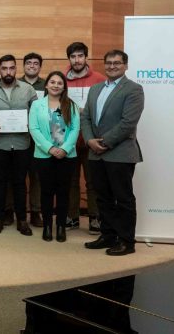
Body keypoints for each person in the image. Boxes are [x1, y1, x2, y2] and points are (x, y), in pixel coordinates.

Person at [82, 50, 144, 256]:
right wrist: (90, 140)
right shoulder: (95, 89)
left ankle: (127, 241)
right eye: (108, 63)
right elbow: (85, 118)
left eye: (117, 63)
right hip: (96, 154)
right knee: (103, 198)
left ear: (125, 65)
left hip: (120, 153)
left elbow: (128, 123)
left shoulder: (134, 89)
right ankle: (108, 235)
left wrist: (105, 143)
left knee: (123, 198)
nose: (112, 66)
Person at [0, 55, 37, 236]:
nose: (8, 72)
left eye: (11, 68)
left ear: (16, 69)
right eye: (4, 68)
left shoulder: (28, 89)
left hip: (22, 142)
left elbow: (36, 113)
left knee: (19, 182)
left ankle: (22, 220)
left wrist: (30, 124)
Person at [28, 71, 79, 242]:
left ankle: (61, 227)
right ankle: (48, 226)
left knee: (64, 192)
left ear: (64, 87)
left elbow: (74, 130)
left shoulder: (70, 105)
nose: (56, 85)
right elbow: (33, 129)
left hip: (67, 155)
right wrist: (50, 148)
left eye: (59, 83)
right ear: (46, 85)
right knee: (47, 192)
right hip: (44, 155)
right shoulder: (37, 105)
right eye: (52, 82)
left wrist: (64, 149)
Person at [64, 42, 106, 233]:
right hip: (68, 140)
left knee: (93, 182)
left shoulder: (99, 79)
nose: (77, 60)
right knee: (70, 181)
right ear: (69, 59)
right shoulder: (62, 79)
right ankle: (71, 217)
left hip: (91, 139)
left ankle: (95, 218)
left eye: (80, 56)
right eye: (73, 56)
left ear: (86, 57)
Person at [20, 52, 46, 228]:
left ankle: (36, 211)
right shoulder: (16, 84)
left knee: (37, 177)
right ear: (23, 66)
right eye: (28, 63)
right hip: (18, 136)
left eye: (35, 63)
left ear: (40, 66)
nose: (31, 66)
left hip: (40, 138)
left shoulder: (47, 85)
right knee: (16, 176)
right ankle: (12, 210)